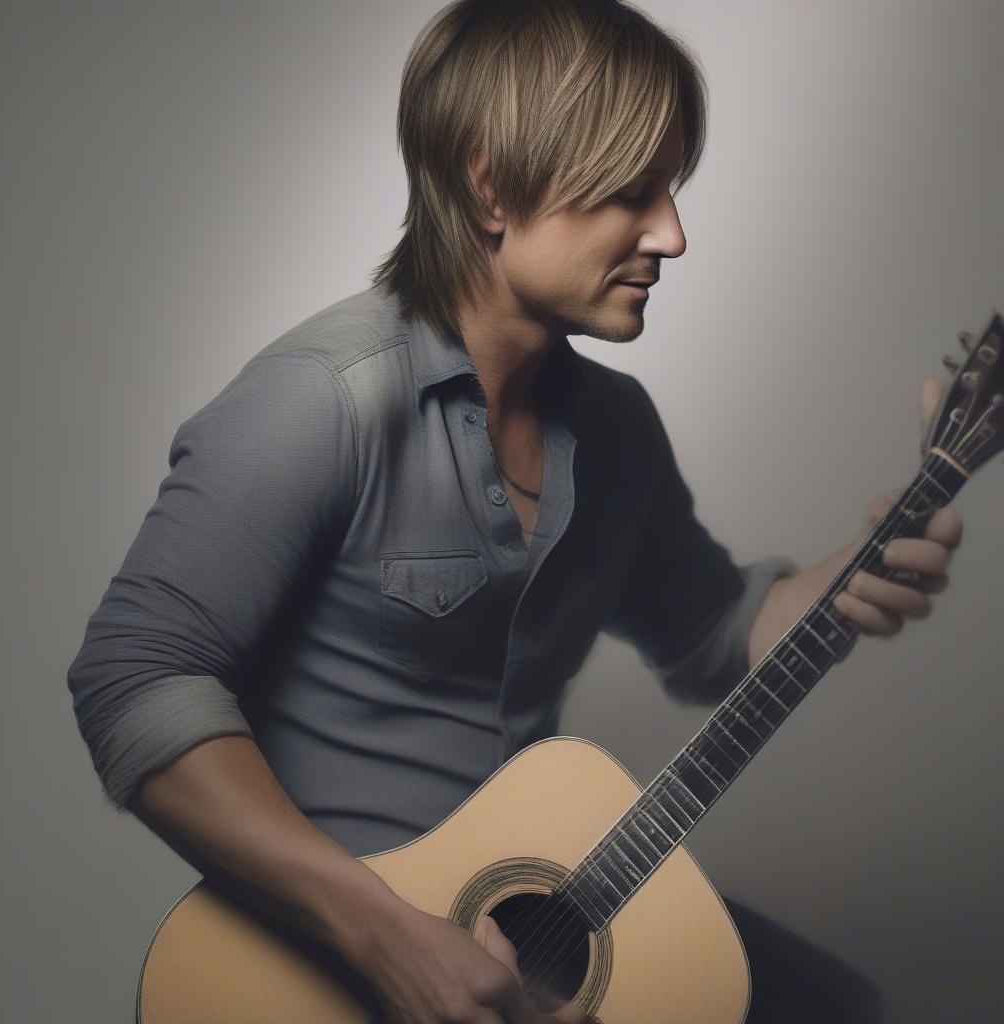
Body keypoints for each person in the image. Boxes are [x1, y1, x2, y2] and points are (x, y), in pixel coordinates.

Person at [66, 2, 962, 1022]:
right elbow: (131, 679)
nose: (671, 232)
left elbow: (713, 634)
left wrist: (861, 563)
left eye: (670, 188)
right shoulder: (320, 399)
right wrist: (387, 936)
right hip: (329, 964)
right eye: (632, 190)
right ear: (490, 184)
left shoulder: (615, 430)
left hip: (537, 937)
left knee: (830, 1004)